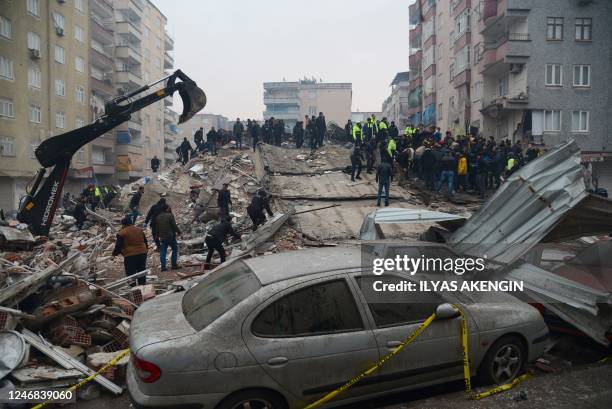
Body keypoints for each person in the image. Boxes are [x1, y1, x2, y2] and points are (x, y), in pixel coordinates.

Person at [112, 216, 148, 285]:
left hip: (130, 255)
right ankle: (143, 287)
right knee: (142, 271)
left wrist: (114, 254)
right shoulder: (139, 230)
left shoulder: (122, 233)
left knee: (131, 273)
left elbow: (119, 245)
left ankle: (134, 289)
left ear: (123, 224)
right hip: (142, 253)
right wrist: (145, 250)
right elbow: (145, 241)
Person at [155, 204, 181, 271]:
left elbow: (157, 228)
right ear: (166, 209)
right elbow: (174, 226)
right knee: (175, 249)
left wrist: (157, 236)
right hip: (170, 236)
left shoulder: (158, 217)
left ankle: (163, 267)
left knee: (163, 251)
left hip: (162, 237)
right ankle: (174, 265)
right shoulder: (170, 215)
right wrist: (179, 232)